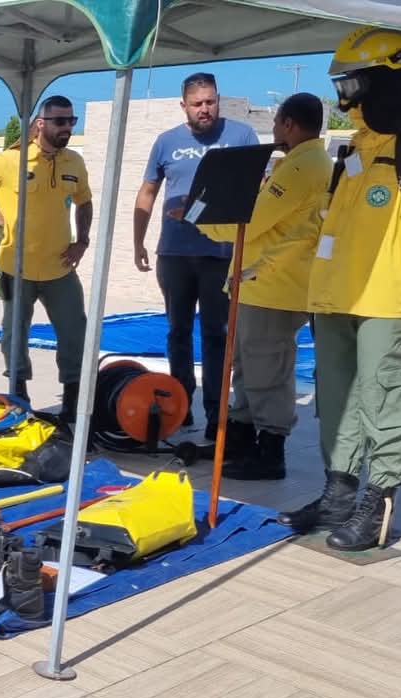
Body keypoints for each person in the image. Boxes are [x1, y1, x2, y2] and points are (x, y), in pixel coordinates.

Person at [279, 27, 401, 551]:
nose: (344, 101)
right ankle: (338, 495)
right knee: (336, 401)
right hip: (333, 297)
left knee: (382, 400)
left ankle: (380, 505)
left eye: (352, 86)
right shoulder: (352, 150)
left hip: (385, 299)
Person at [194, 93, 331, 480]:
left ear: (289, 124)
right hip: (259, 282)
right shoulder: (303, 163)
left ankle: (270, 451)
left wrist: (200, 220)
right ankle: (239, 437)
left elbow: (251, 221)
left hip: (273, 285)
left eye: (275, 123)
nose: (273, 130)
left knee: (268, 369)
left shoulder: (302, 167)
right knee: (247, 365)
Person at [134, 72, 259, 441]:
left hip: (220, 255)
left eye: (210, 102)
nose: (205, 109)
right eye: (197, 104)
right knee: (178, 332)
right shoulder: (166, 142)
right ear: (183, 106)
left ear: (218, 100)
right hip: (174, 253)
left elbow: (256, 190)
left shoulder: (241, 136)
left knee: (217, 333)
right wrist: (138, 242)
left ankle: (217, 413)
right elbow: (147, 193)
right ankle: (180, 404)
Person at [0, 96, 92, 418]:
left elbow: (84, 201)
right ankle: (19, 398)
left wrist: (82, 241)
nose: (67, 128)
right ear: (40, 124)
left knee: (74, 333)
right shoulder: (9, 161)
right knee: (14, 335)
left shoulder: (74, 161)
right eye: (60, 121)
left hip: (59, 267)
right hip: (16, 266)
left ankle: (72, 404)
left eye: (72, 121)